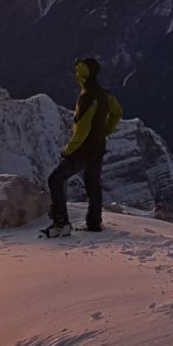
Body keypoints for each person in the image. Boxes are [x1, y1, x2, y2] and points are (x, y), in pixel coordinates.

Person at [46, 56, 121, 234]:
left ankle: (61, 223)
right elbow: (117, 113)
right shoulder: (104, 93)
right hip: (98, 147)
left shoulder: (87, 97)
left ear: (82, 73)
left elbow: (82, 130)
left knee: (55, 180)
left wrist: (68, 151)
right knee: (93, 185)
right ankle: (94, 224)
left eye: (78, 70)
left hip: (83, 150)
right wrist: (105, 131)